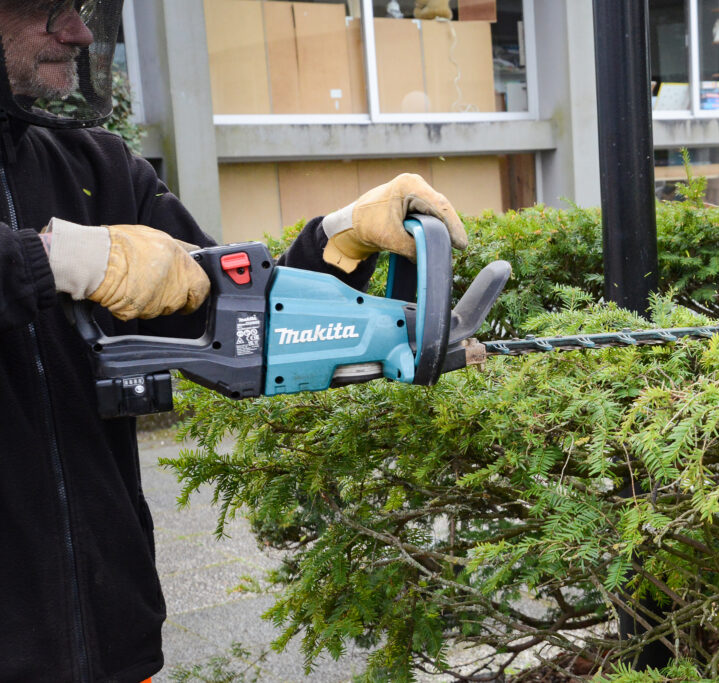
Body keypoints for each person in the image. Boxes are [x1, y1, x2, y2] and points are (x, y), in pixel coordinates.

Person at [0, 2, 468, 681]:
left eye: (81, 8)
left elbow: (234, 316)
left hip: (113, 641)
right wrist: (53, 261)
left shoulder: (95, 167)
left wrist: (335, 243)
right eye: (48, 10)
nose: (76, 32)